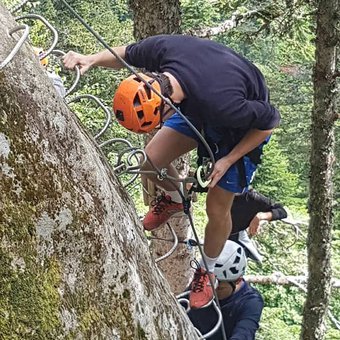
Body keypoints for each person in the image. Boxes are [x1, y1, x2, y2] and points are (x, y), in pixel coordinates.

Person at [63, 34, 280, 309]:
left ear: (165, 104)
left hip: (242, 128)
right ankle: (177, 199)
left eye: (158, 121)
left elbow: (268, 123)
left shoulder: (225, 105)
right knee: (151, 161)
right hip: (196, 102)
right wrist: (92, 58)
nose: (159, 125)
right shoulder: (164, 51)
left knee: (217, 207)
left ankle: (208, 269)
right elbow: (126, 54)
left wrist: (227, 160)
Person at [186, 240, 264, 339]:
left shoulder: (250, 301)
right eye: (208, 284)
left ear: (237, 281)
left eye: (219, 287)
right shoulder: (203, 284)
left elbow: (245, 331)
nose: (212, 291)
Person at [229, 189, 288, 262]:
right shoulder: (214, 192)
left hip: (234, 239)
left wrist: (260, 216)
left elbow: (282, 211)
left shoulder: (252, 198)